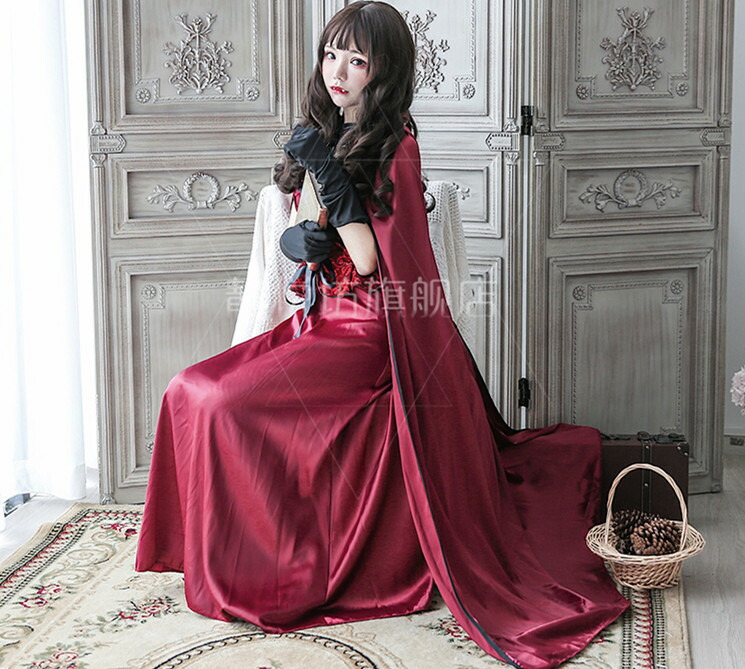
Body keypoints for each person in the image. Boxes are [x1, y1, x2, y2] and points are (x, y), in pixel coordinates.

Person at [135, 3, 630, 667]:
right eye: (331, 54)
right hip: (323, 317)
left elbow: (370, 259)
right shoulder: (330, 131)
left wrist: (328, 179)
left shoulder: (396, 143)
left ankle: (264, 569)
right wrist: (304, 229)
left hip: (373, 329)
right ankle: (225, 552)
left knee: (222, 400)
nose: (337, 71)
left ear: (383, 71)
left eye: (357, 60)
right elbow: (309, 236)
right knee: (188, 388)